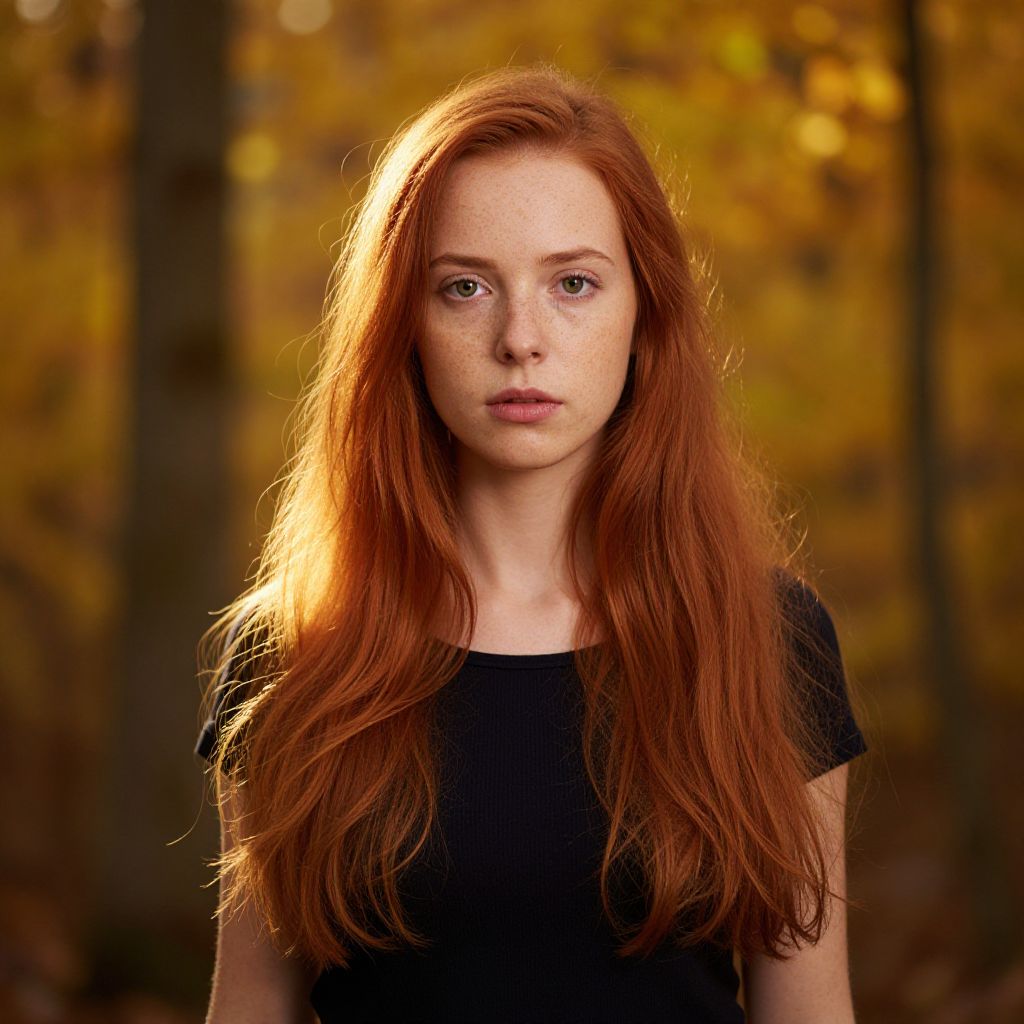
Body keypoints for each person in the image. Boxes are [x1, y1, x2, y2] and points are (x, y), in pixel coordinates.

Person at [194, 63, 869, 1024]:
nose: (521, 338)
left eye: (574, 284)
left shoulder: (767, 637)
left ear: (646, 313)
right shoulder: (291, 649)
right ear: (403, 326)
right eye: (465, 287)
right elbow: (248, 1012)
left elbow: (809, 1013)